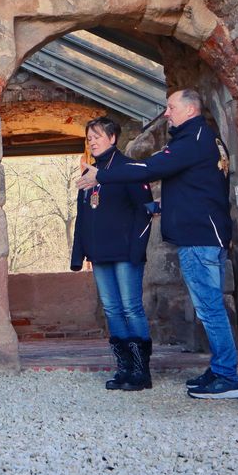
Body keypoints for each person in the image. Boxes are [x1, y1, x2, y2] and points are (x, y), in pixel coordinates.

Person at [77, 89, 238, 400]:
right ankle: (220, 369)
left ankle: (228, 376)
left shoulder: (194, 139)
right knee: (206, 307)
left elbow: (152, 169)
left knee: (209, 308)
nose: (166, 113)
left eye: (171, 107)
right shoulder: (197, 139)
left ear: (190, 109)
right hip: (197, 235)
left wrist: (103, 175)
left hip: (201, 237)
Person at [70, 117, 154, 391]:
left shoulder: (128, 169)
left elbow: (145, 212)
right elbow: (82, 217)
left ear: (112, 138)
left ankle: (141, 371)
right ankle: (124, 368)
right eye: (89, 138)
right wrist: (78, 255)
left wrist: (136, 250)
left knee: (131, 307)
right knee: (112, 309)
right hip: (100, 255)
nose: (92, 142)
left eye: (97, 136)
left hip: (126, 253)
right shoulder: (89, 174)